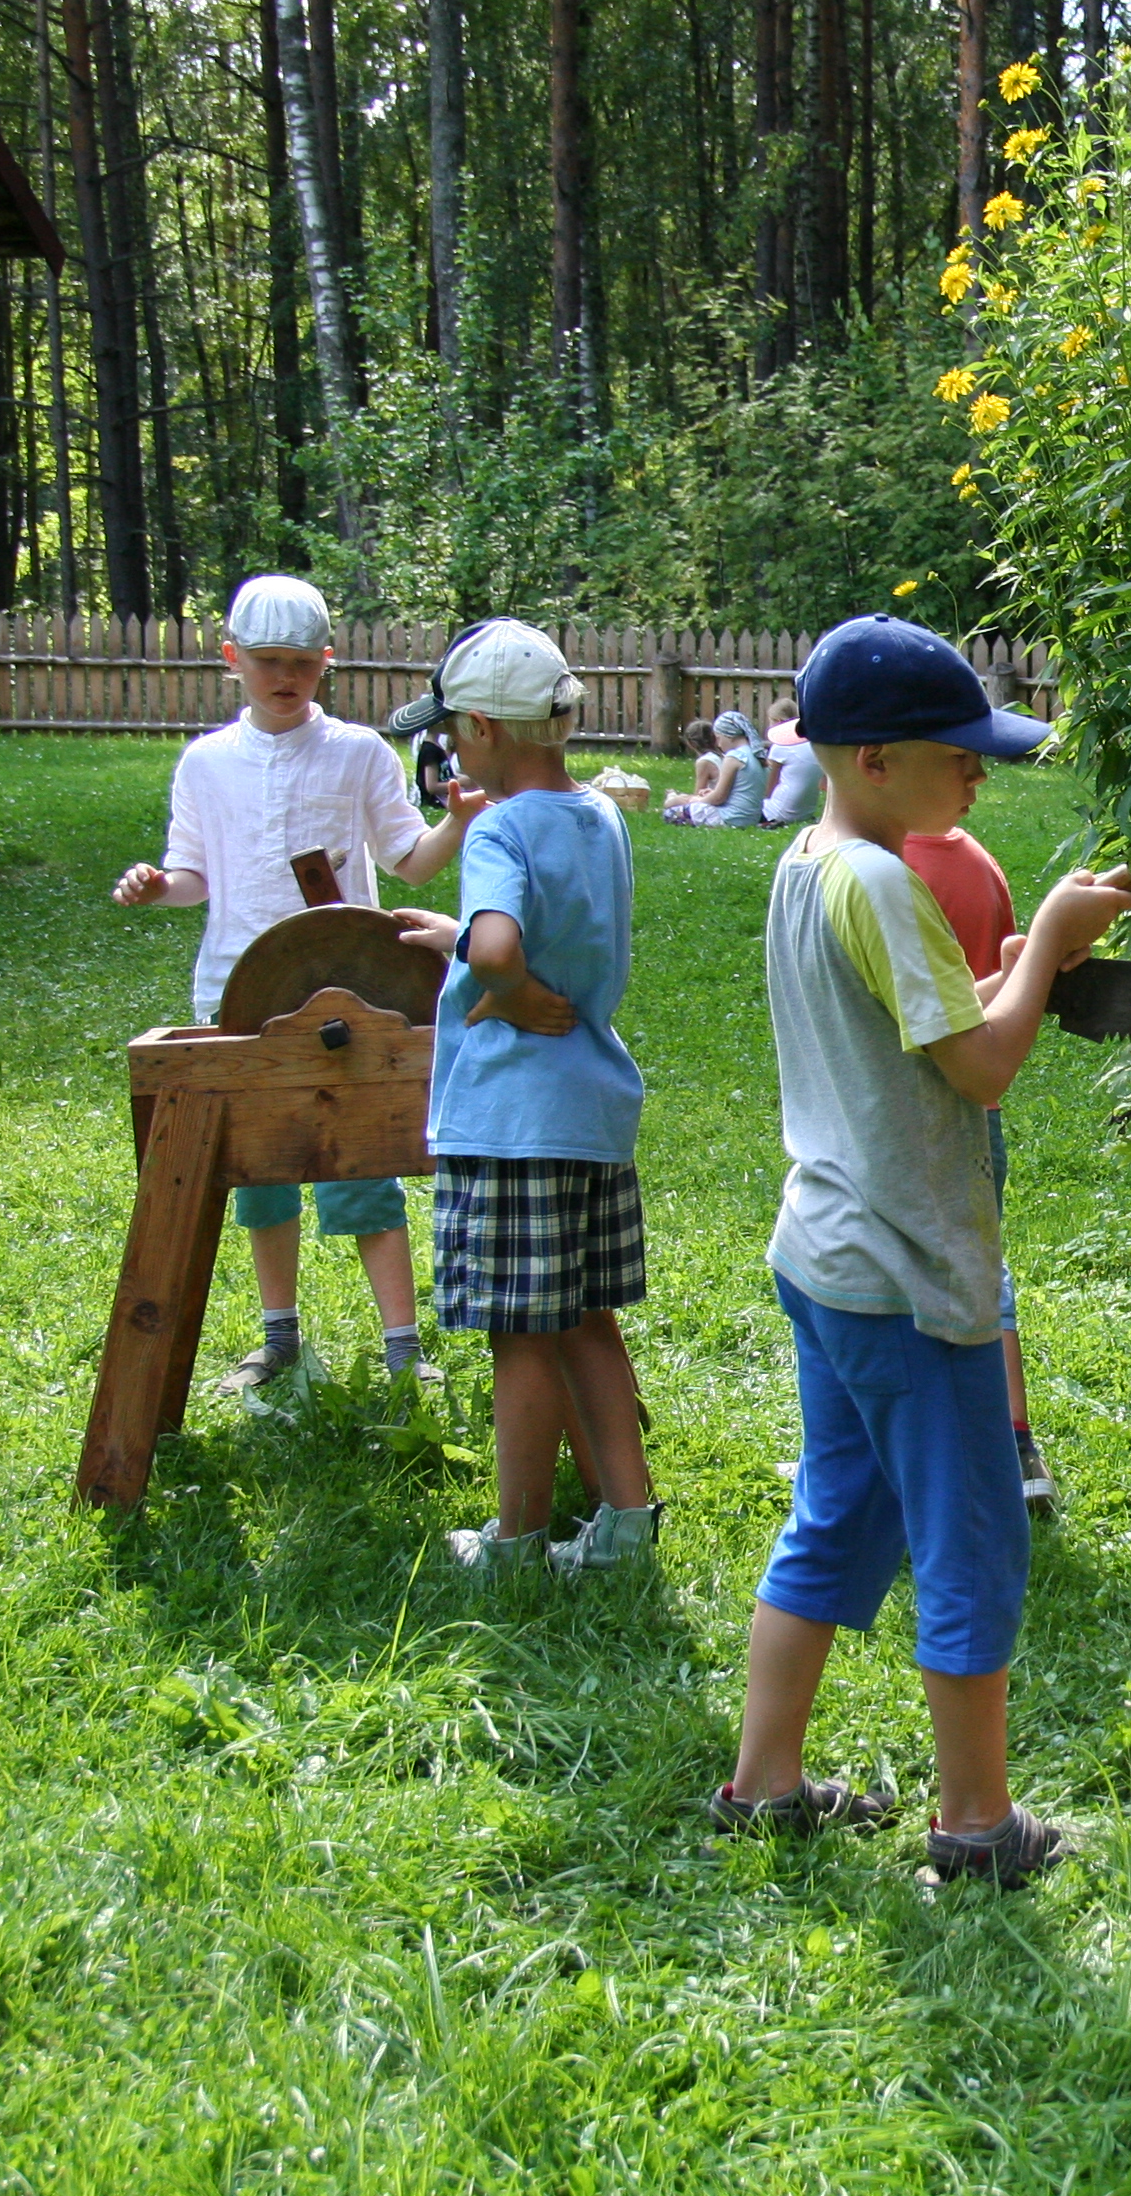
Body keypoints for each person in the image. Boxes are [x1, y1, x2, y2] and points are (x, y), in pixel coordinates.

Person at [710, 613, 1130, 1886]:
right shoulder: (887, 882)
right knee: (970, 1537)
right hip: (907, 1277)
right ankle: (977, 1827)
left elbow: (930, 1031)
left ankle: (765, 1785)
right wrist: (1049, 947)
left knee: (835, 1516)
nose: (979, 774)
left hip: (827, 1254)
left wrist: (1004, 971)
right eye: (959, 753)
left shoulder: (811, 862)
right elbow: (985, 1070)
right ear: (878, 758)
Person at [113, 574, 477, 1395]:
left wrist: (456, 820)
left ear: (328, 661)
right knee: (258, 1175)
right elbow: (192, 874)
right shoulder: (206, 761)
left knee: (361, 1167)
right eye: (268, 661)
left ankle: (402, 1347)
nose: (284, 678)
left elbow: (406, 858)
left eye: (302, 665)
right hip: (240, 988)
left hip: (350, 989)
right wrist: (153, 884)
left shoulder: (357, 753)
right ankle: (279, 1340)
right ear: (230, 658)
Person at [385, 620, 663, 1575]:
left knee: (518, 1331)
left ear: (483, 729)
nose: (454, 753)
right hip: (590, 1109)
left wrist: (492, 980)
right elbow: (524, 927)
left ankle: (517, 1539)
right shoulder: (603, 816)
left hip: (511, 1121)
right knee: (587, 1316)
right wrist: (455, 937)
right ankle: (627, 1523)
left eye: (455, 734)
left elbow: (504, 948)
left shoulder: (499, 825)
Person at [903, 822, 1059, 1517]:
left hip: (926, 1114)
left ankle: (991, 1448)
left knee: (935, 1281)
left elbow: (932, 1020)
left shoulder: (889, 870)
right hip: (977, 1115)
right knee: (976, 1265)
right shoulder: (980, 862)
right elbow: (997, 977)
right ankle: (1009, 1440)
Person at [663, 712, 767, 827]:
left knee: (670, 813)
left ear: (729, 735)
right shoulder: (756, 755)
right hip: (752, 818)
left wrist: (696, 800)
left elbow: (719, 798)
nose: (718, 744)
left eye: (718, 738)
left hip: (732, 817)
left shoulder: (734, 757)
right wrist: (711, 793)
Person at [761, 698, 823, 827]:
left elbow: (769, 787)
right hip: (806, 812)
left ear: (778, 722)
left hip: (779, 813)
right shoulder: (813, 743)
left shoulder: (780, 746)